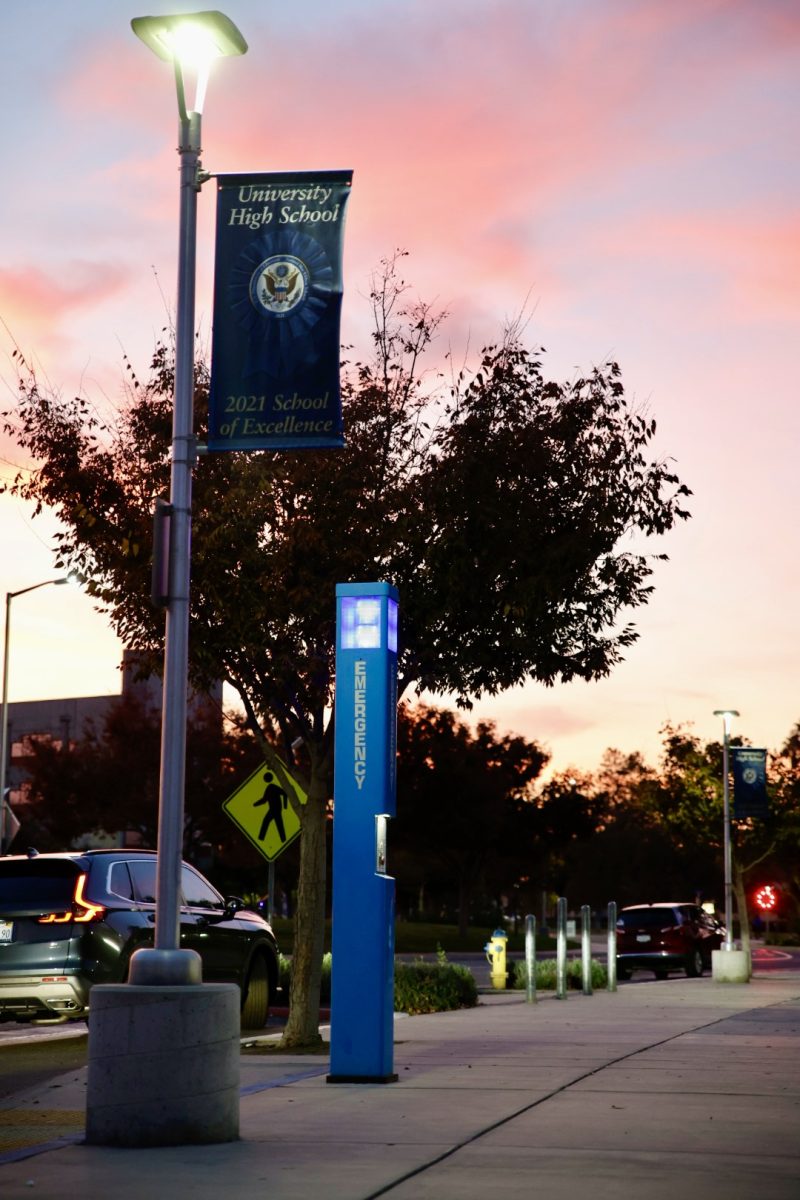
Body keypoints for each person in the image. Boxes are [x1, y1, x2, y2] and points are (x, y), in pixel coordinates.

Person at [253, 771, 289, 844]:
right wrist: (255, 804)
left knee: (272, 822)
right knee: (276, 823)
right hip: (274, 809)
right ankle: (282, 840)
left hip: (275, 809)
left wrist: (285, 806)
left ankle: (262, 838)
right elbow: (264, 800)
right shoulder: (269, 788)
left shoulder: (272, 787)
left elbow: (285, 793)